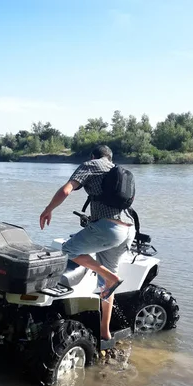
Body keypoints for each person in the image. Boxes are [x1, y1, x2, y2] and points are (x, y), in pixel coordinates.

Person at [40, 144, 135, 340]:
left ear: (94, 156)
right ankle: (105, 332)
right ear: (110, 157)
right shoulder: (117, 171)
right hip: (128, 230)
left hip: (108, 230)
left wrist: (48, 209)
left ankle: (111, 278)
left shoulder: (91, 165)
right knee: (106, 286)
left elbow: (66, 190)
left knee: (68, 249)